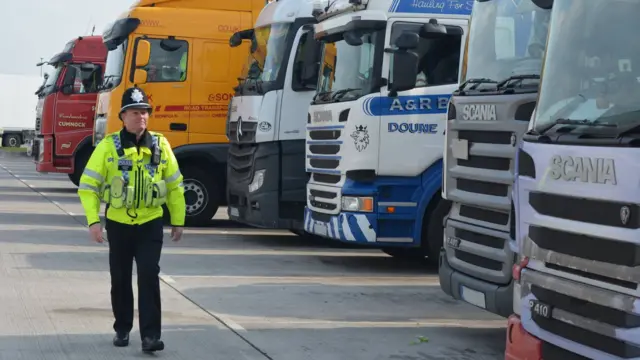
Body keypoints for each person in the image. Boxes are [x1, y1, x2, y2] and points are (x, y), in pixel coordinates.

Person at [77, 86, 186, 353]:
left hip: (150, 223)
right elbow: (87, 186)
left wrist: (178, 219)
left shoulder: (161, 145)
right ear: (123, 116)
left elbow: (174, 185)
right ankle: (123, 328)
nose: (142, 117)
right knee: (121, 277)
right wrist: (93, 221)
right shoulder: (108, 147)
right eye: (136, 112)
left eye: (145, 112)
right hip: (119, 224)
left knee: (149, 274)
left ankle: (150, 336)